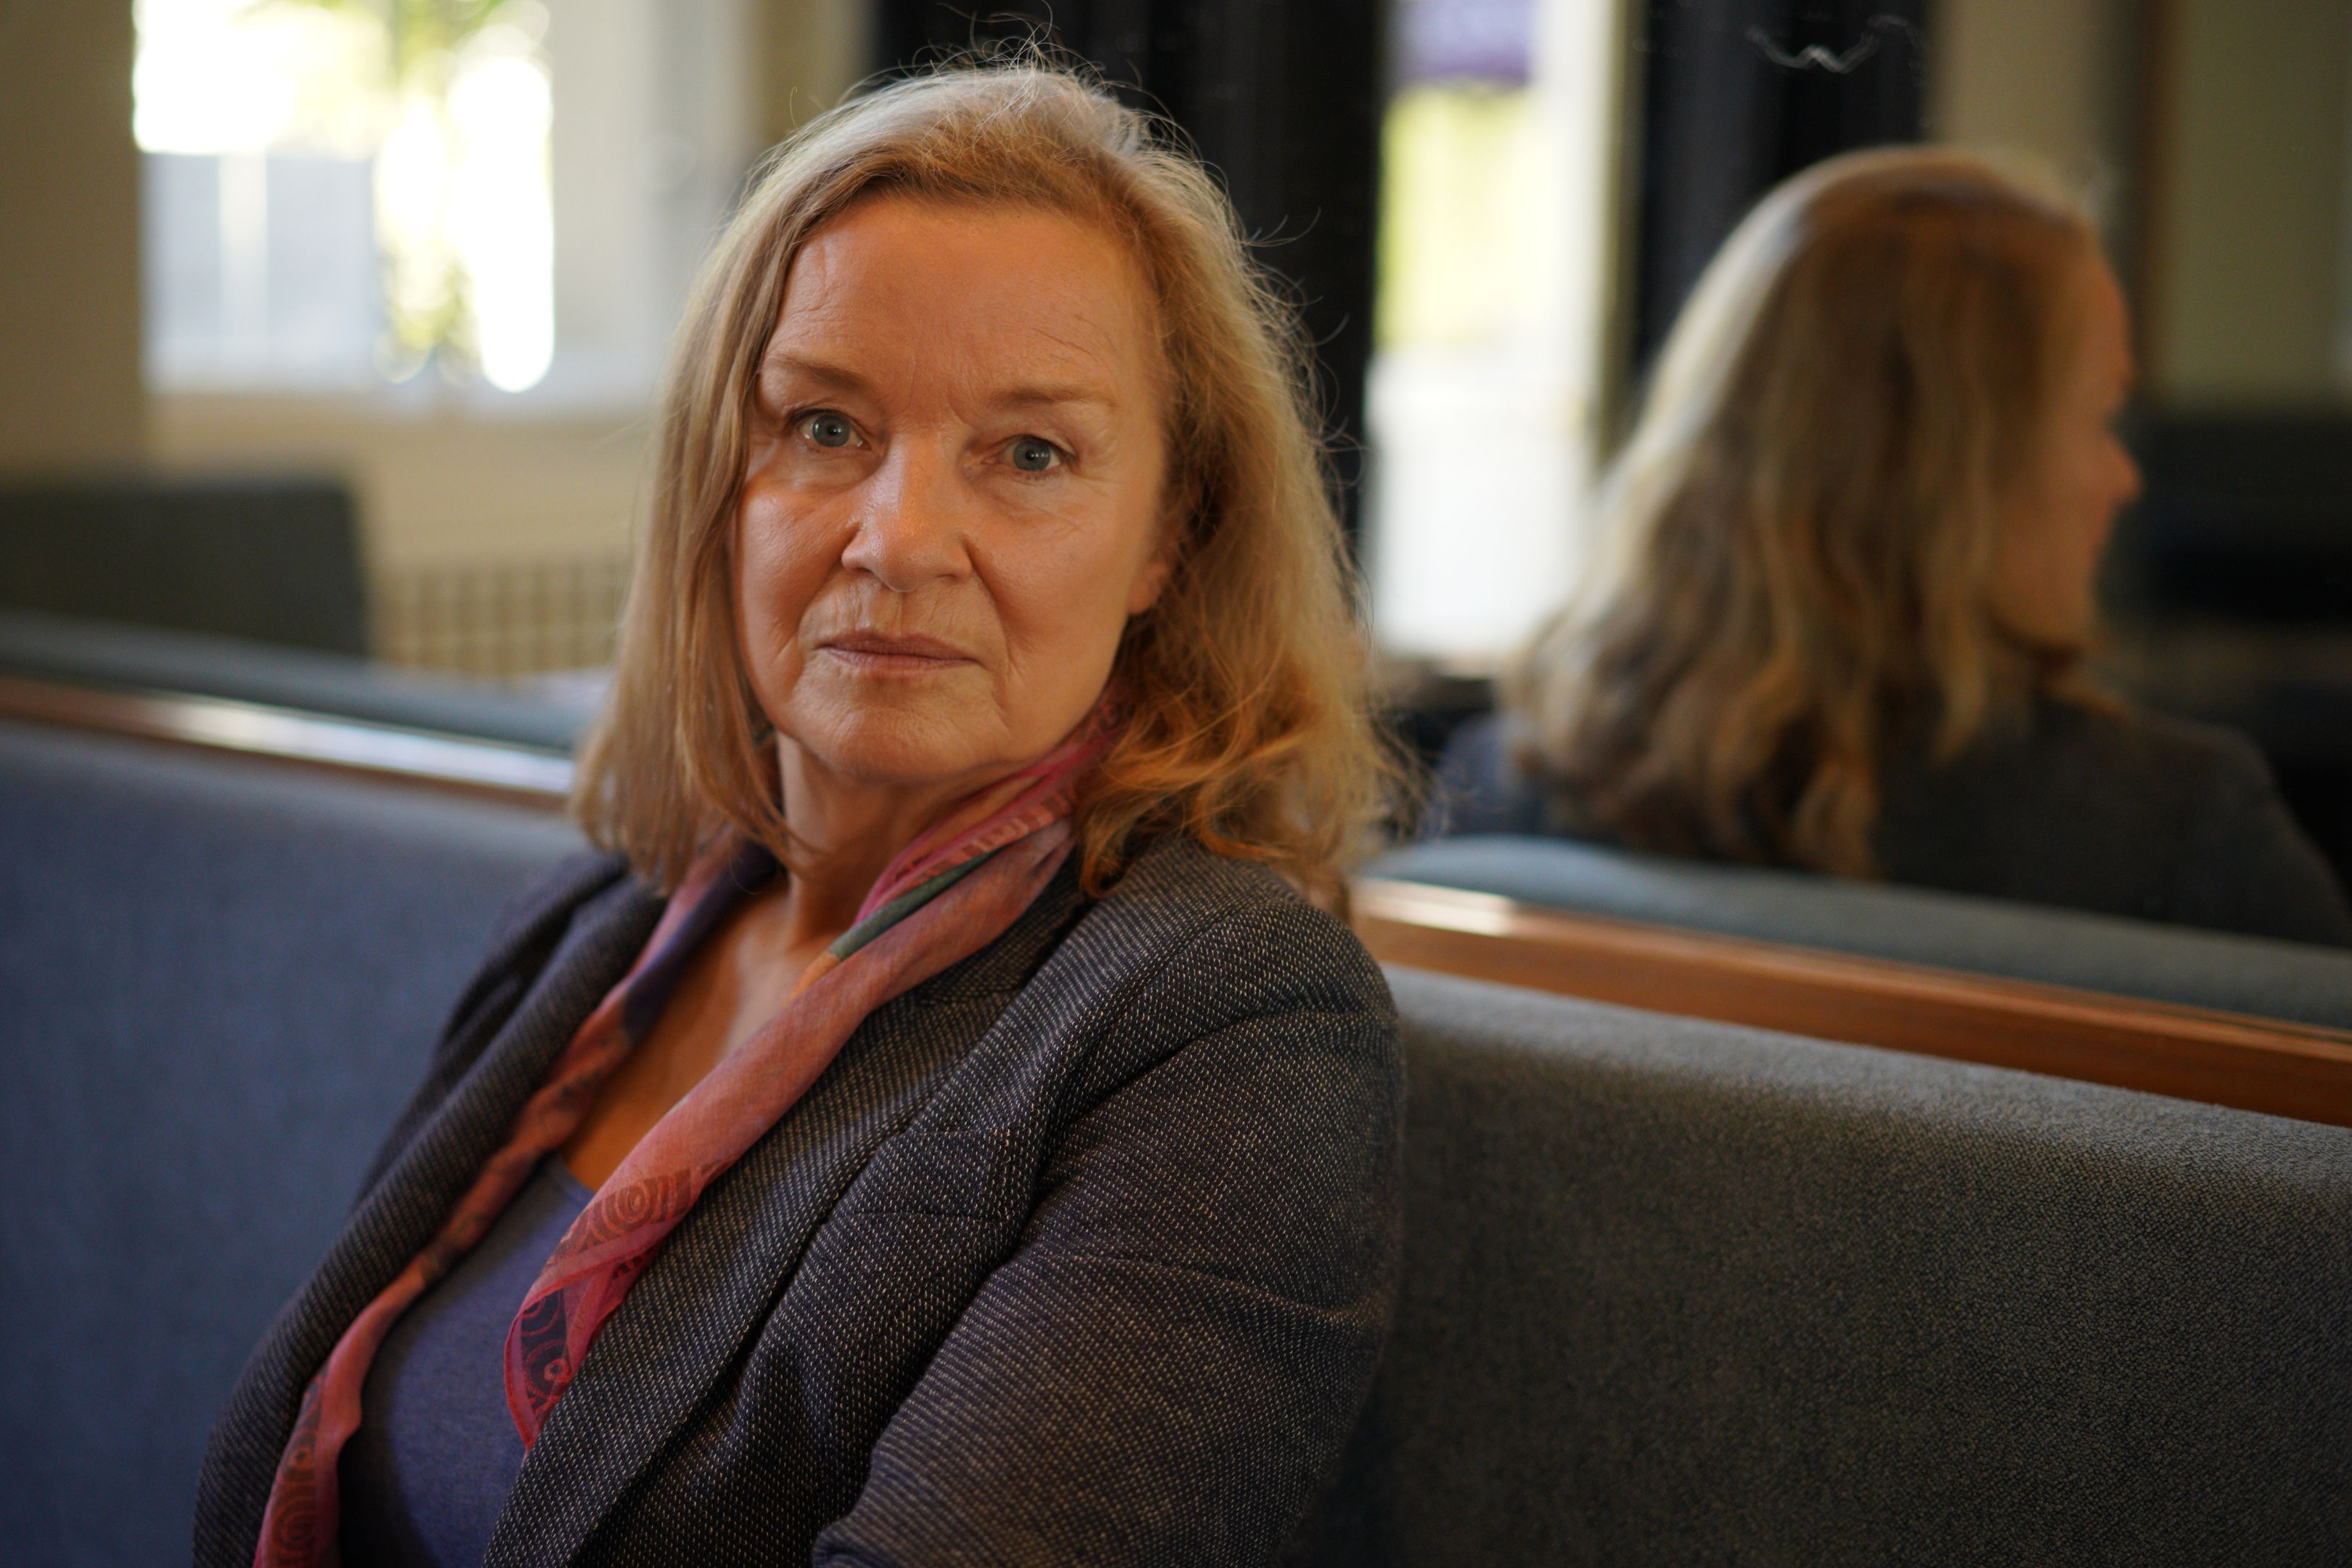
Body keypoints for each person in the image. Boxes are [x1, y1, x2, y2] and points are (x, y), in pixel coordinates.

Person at [196, 61, 1405, 1567]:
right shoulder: (602, 927)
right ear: (720, 482)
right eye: (825, 428)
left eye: (1031, 454)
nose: (898, 539)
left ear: (1171, 534)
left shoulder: (1231, 1027)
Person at [1442, 147, 2352, 947]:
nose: (2125, 479)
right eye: (2100, 419)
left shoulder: (1506, 783)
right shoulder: (2185, 836)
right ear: (1964, 479)